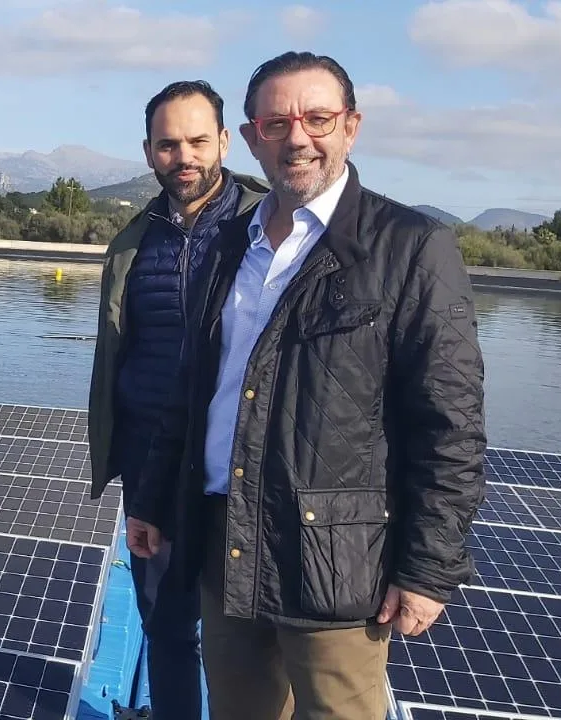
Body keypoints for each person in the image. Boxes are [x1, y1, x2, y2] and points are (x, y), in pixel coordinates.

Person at [124, 51, 488, 720]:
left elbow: (450, 425)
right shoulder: (231, 245)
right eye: (277, 122)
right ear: (252, 136)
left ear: (351, 125)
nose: (298, 138)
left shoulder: (410, 248)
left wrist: (430, 568)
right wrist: (150, 499)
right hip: (225, 544)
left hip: (334, 565)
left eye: (317, 118)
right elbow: (193, 393)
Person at [86, 79, 269, 719]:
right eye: (168, 145)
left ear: (224, 141)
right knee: (165, 624)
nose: (183, 157)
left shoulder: (268, 230)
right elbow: (122, 350)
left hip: (240, 471)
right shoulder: (134, 241)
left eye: (197, 141)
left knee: (247, 636)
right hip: (150, 465)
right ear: (148, 152)